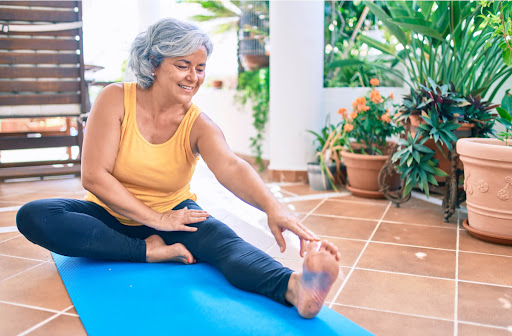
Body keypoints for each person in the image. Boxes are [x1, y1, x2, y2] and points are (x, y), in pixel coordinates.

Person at [16, 17, 340, 319]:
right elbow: (94, 176)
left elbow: (230, 165)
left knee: (226, 244)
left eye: (200, 68)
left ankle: (295, 288)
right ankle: (147, 250)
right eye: (183, 65)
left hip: (176, 215)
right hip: (110, 214)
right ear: (154, 64)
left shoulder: (197, 124)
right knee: (34, 216)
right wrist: (155, 223)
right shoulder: (115, 98)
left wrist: (274, 208)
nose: (193, 77)